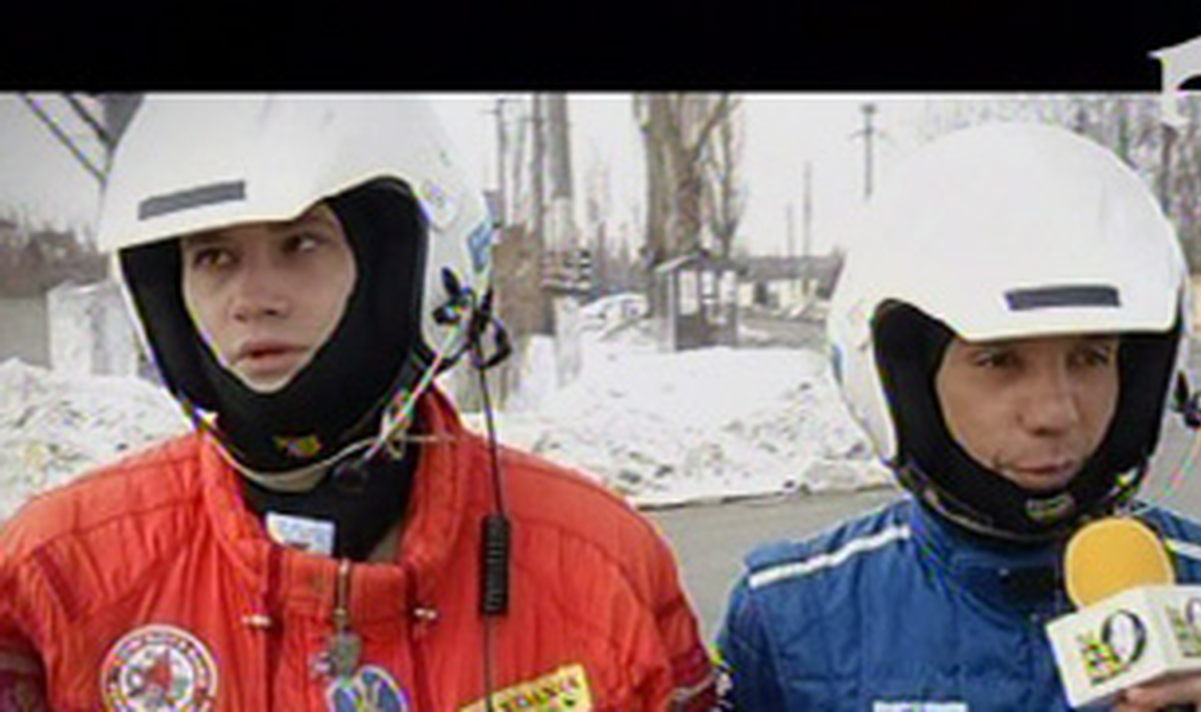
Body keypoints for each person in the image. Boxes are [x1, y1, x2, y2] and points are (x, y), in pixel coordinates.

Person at [0, 95, 716, 711]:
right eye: (214, 258)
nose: (252, 299)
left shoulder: (600, 562)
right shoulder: (57, 575)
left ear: (402, 270)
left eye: (301, 244)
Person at [716, 122, 1201, 711]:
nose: (1055, 413)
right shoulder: (793, 614)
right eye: (1000, 361)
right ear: (907, 384)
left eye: (1089, 357)